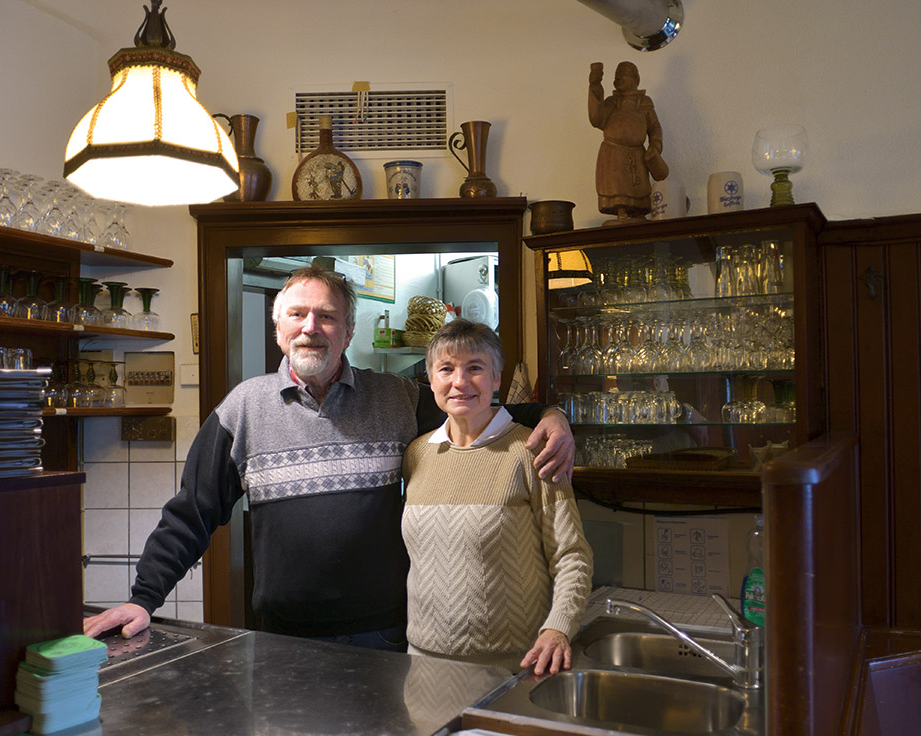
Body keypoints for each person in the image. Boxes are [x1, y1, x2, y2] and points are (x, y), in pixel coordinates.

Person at [83, 266, 575, 649]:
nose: (310, 328)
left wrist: (550, 414)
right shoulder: (244, 408)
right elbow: (191, 511)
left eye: (327, 316)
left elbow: (473, 404)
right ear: (279, 329)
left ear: (348, 331)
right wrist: (144, 598)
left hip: (385, 632)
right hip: (282, 634)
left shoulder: (397, 397)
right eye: (297, 315)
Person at [401, 319, 593, 676]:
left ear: (497, 379)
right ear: (431, 380)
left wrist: (558, 627)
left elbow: (572, 555)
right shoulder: (416, 455)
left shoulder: (532, 451)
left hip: (511, 664)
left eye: (475, 368)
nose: (460, 382)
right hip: (423, 661)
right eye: (446, 369)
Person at [588, 60, 669, 222]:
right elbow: (597, 118)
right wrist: (595, 84)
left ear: (635, 80)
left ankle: (637, 212)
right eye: (616, 77)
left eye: (622, 76)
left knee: (638, 187)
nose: (618, 80)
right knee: (616, 188)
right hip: (613, 151)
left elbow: (654, 127)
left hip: (637, 153)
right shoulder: (611, 102)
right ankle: (621, 212)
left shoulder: (644, 102)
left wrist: (656, 144)